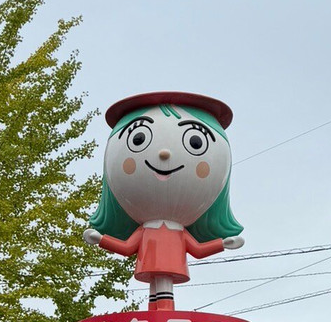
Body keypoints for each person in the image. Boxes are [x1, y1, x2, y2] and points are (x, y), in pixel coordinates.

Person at [83, 92, 244, 310]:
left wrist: (223, 244)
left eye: (195, 142)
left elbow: (197, 249)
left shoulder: (178, 232)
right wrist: (100, 239)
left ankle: (163, 317)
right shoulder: (147, 231)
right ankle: (158, 318)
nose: (164, 153)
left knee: (163, 291)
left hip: (169, 264)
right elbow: (127, 247)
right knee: (156, 292)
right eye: (138, 139)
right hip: (152, 263)